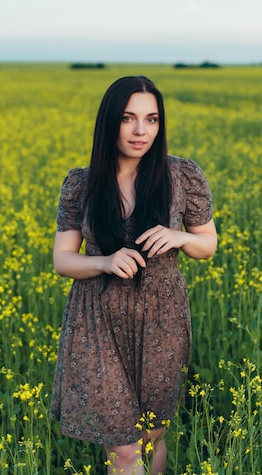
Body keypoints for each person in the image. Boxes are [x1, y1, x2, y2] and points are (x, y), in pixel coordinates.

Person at [50, 75, 217, 475]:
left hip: (162, 319)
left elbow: (207, 245)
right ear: (109, 122)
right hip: (96, 322)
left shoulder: (183, 177)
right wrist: (104, 262)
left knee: (149, 437)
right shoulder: (82, 182)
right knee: (124, 451)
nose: (141, 130)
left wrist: (178, 237)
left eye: (152, 119)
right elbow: (62, 260)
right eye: (128, 118)